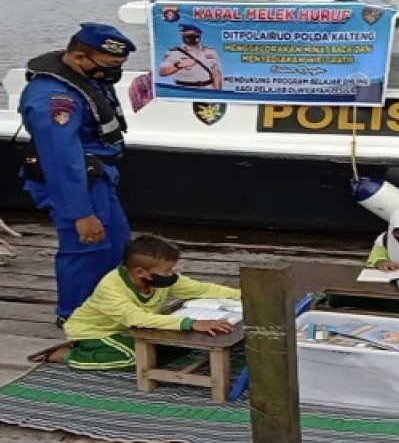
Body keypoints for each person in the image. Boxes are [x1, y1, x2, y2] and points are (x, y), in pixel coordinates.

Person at [19, 22, 136, 326]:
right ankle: (74, 317)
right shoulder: (55, 99)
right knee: (86, 247)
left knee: (115, 245)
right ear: (80, 57)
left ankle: (109, 309)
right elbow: (61, 158)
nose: (113, 73)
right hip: (75, 183)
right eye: (109, 66)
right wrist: (80, 213)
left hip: (98, 176)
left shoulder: (86, 76)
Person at [35, 234, 240, 369]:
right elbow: (136, 318)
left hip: (136, 329)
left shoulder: (160, 279)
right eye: (167, 271)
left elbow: (201, 289)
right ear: (140, 272)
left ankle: (109, 350)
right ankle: (68, 355)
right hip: (100, 331)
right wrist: (191, 323)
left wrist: (242, 295)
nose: (172, 274)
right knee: (134, 360)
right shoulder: (111, 288)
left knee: (183, 347)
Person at [158, 24, 223, 89]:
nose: (189, 36)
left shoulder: (211, 51)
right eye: (185, 34)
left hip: (207, 89)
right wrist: (179, 66)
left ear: (199, 35)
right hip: (184, 90)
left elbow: (216, 73)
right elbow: (162, 72)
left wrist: (217, 92)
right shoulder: (174, 52)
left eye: (192, 34)